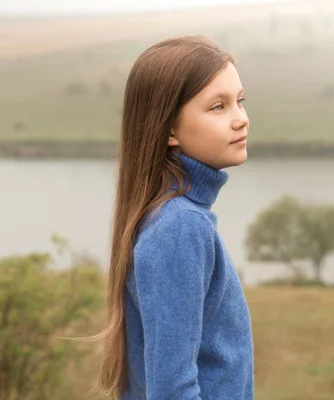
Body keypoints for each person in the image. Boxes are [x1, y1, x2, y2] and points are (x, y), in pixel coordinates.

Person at [96, 35, 254, 399]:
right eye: (218, 106)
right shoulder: (180, 226)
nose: (240, 119)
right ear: (168, 128)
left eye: (239, 101)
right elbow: (172, 390)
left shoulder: (176, 215)